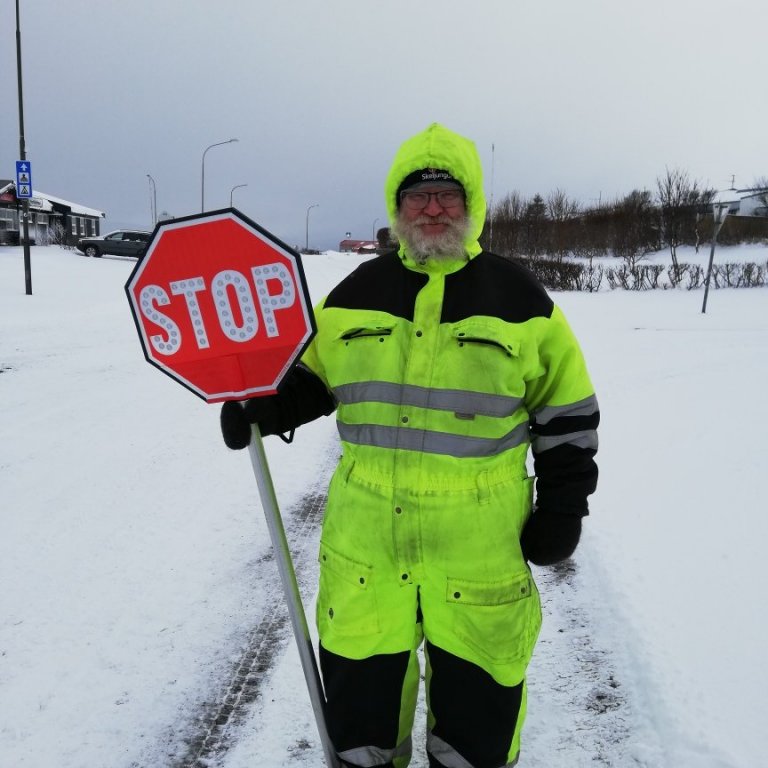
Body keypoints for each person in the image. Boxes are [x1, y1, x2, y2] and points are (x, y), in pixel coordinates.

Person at [220, 123, 599, 768]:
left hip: (479, 558)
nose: (431, 209)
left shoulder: (523, 303)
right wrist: (262, 407)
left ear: (471, 204)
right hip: (366, 552)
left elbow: (568, 416)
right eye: (416, 196)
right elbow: (313, 379)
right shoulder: (353, 296)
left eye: (446, 195)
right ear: (396, 207)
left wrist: (565, 509)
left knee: (476, 732)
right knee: (362, 730)